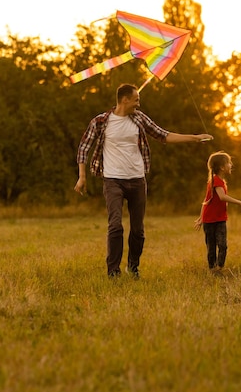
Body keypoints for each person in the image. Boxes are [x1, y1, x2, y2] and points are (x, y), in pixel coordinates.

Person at [74, 83, 214, 279]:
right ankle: (113, 272)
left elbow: (163, 136)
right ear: (124, 100)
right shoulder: (101, 121)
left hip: (137, 180)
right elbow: (83, 148)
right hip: (113, 180)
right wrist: (82, 177)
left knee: (138, 230)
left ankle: (133, 267)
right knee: (115, 225)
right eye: (136, 99)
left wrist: (195, 138)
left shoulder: (139, 119)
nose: (138, 104)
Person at [194, 151, 241, 272]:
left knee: (222, 245)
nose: (231, 165)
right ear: (222, 167)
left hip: (220, 219)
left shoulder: (219, 181)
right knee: (211, 247)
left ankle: (219, 268)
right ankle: (212, 269)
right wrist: (240, 202)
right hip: (210, 220)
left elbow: (206, 201)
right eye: (229, 163)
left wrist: (200, 218)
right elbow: (220, 197)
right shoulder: (215, 181)